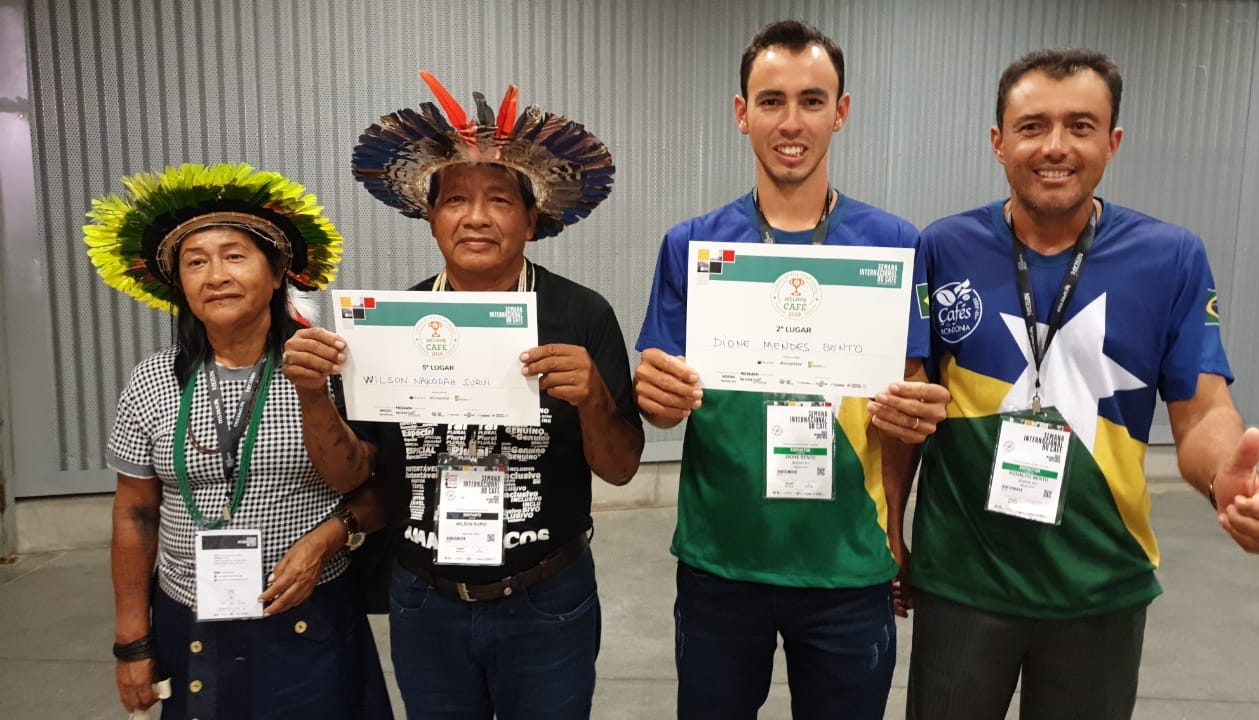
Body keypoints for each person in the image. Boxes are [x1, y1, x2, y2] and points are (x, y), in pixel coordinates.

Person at [905, 48, 1259, 720]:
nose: (1055, 147)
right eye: (1032, 126)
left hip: (1100, 584)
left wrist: (1228, 474)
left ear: (1112, 142)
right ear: (998, 142)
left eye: (1080, 126)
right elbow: (906, 404)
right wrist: (891, 529)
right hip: (962, 584)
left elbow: (1201, 413)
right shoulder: (943, 248)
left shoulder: (1172, 258)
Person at [283, 72, 644, 719]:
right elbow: (350, 471)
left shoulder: (581, 314)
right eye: (455, 200)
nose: (476, 217)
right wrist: (313, 396)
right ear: (430, 216)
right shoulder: (392, 324)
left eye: (500, 199)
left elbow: (620, 468)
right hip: (426, 601)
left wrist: (593, 398)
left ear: (532, 217)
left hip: (547, 596)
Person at [633, 20, 950, 720]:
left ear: (842, 111)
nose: (792, 121)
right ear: (742, 113)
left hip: (848, 562)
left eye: (813, 100)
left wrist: (897, 528)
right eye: (771, 101)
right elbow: (660, 404)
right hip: (722, 560)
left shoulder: (896, 244)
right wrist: (656, 398)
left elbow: (904, 418)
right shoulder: (692, 245)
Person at [92, 163, 393, 718]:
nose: (216, 276)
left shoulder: (327, 367)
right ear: (179, 284)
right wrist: (132, 640)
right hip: (190, 614)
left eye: (235, 256)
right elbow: (134, 513)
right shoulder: (152, 381)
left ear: (278, 272)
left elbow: (374, 491)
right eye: (196, 262)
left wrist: (325, 541)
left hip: (311, 614)